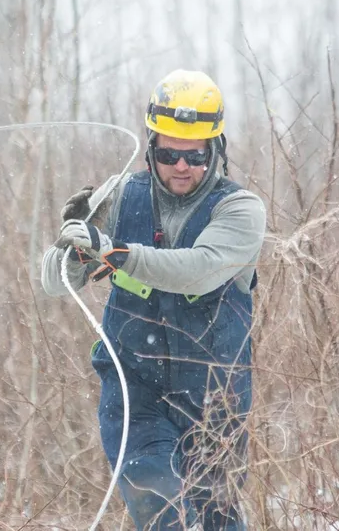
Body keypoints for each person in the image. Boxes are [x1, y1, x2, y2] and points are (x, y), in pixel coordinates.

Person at [40, 70, 267, 530]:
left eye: (195, 154)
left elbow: (198, 272)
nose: (181, 166)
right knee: (158, 501)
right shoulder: (121, 196)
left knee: (215, 517)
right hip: (134, 389)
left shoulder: (240, 210)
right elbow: (53, 282)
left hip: (214, 399)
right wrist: (71, 245)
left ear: (215, 150)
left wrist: (116, 253)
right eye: (169, 153)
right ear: (150, 146)